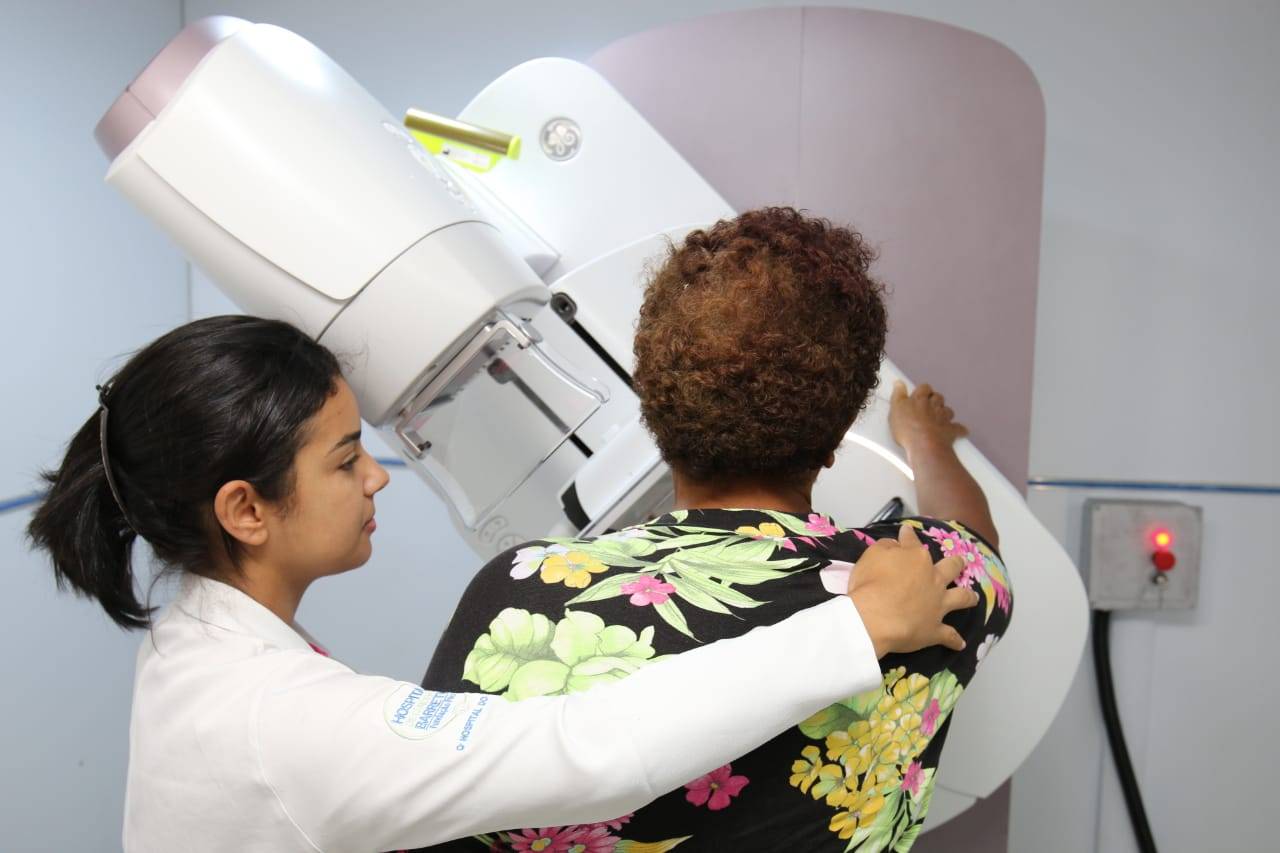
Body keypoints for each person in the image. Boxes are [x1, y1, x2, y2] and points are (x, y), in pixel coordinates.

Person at [27, 314, 976, 851]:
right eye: (346, 457)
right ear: (245, 509)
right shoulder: (277, 719)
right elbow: (588, 750)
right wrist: (854, 625)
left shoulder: (197, 637)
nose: (375, 478)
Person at [417, 208, 1012, 852]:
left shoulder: (518, 596)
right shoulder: (927, 594)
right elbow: (974, 536)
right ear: (838, 432)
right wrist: (928, 445)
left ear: (652, 406)